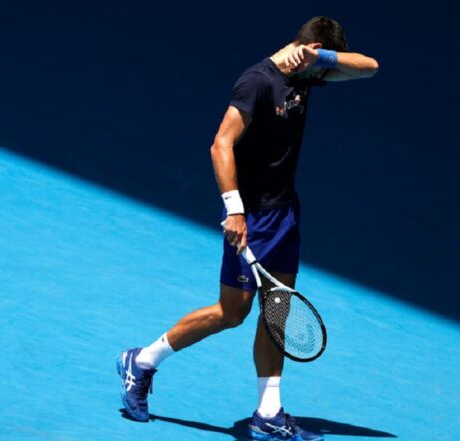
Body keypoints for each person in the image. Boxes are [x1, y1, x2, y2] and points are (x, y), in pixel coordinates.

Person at [116, 16, 378, 441]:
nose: (324, 77)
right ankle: (142, 360)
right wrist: (234, 211)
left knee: (277, 312)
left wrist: (321, 58)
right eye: (320, 67)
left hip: (285, 214)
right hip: (252, 215)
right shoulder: (256, 82)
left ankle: (269, 411)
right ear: (303, 45)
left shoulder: (308, 74)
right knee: (232, 313)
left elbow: (369, 66)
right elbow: (221, 143)